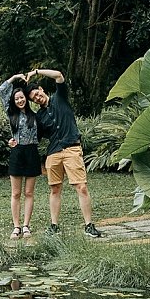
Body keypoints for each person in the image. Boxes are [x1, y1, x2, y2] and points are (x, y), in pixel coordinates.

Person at [27, 67, 102, 238]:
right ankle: (54, 225)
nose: (37, 98)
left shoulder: (60, 97)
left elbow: (59, 75)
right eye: (33, 99)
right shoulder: (39, 116)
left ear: (41, 90)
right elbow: (36, 138)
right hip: (53, 153)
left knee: (81, 187)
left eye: (37, 94)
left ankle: (89, 225)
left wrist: (36, 72)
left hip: (72, 149)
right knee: (55, 189)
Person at [0, 72, 41, 238]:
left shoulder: (35, 116)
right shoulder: (11, 113)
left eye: (22, 98)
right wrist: (15, 78)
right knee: (16, 193)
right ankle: (16, 226)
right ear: (14, 102)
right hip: (17, 152)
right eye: (17, 99)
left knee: (29, 192)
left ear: (26, 99)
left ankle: (26, 225)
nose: (20, 100)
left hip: (32, 152)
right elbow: (2, 91)